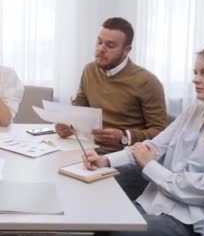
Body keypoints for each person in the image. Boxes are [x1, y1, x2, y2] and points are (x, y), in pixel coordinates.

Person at [84, 47, 204, 236]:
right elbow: (153, 147)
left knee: (120, 233)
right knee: (101, 220)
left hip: (192, 222)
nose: (195, 79)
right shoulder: (195, 111)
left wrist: (150, 165)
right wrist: (106, 161)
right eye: (196, 72)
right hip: (156, 204)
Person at [54, 17, 167, 199]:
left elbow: (161, 133)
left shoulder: (147, 82)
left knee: (87, 193)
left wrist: (124, 137)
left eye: (110, 45)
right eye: (99, 42)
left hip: (126, 159)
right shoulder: (90, 70)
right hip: (89, 150)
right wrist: (67, 125)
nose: (101, 49)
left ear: (127, 50)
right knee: (53, 175)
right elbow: (79, 108)